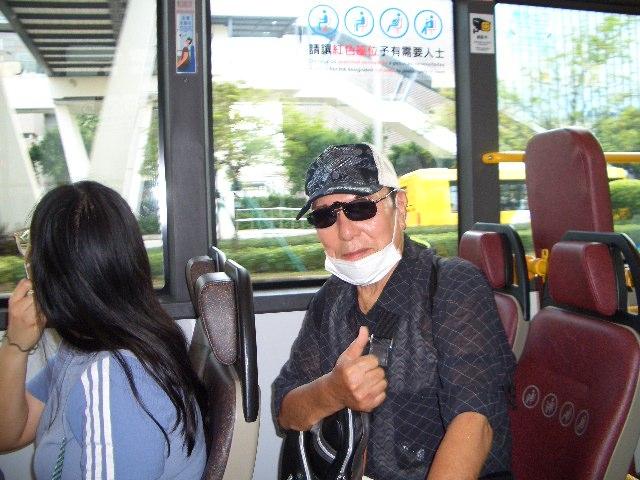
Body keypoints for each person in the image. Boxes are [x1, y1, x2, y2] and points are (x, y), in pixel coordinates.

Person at [273, 143, 516, 479]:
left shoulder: (451, 286)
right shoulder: (330, 300)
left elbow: (475, 421)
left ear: (399, 207)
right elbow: (286, 410)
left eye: (360, 208)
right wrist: (331, 391)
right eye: (325, 216)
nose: (345, 232)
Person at [0, 181, 206, 479]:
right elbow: (10, 433)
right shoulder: (88, 344)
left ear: (56, 278)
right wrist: (15, 346)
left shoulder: (116, 379)